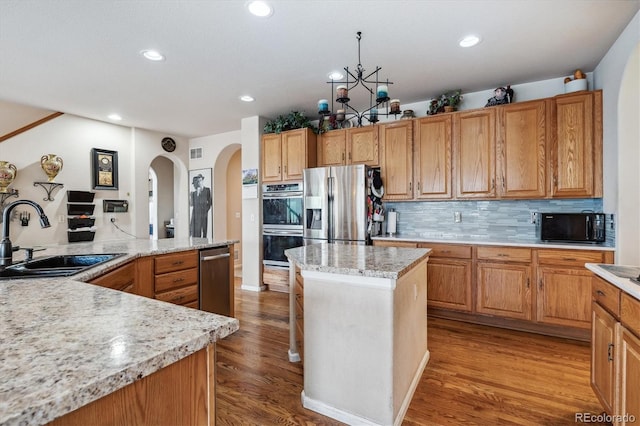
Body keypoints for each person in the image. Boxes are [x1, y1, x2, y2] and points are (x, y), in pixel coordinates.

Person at [190, 173, 212, 238]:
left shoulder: (207, 190)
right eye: (196, 182)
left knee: (204, 231)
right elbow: (191, 204)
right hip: (196, 215)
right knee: (196, 233)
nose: (198, 183)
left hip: (204, 214)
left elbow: (210, 202)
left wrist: (205, 210)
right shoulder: (193, 193)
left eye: (199, 181)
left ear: (202, 180)